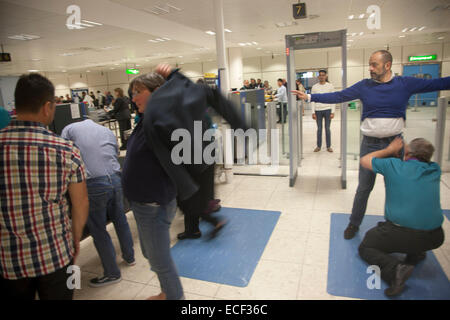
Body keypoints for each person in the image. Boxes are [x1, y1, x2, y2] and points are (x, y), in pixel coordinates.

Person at [292, 49, 450, 240]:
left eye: (374, 64)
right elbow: (340, 96)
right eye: (370, 64)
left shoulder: (404, 84)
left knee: (396, 186)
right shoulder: (364, 86)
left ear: (387, 65)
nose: (370, 68)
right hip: (370, 145)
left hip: (395, 145)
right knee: (364, 187)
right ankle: (354, 223)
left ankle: (394, 224)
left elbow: (438, 83)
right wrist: (310, 97)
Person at [0, 73, 89, 300]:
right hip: (57, 255)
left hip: (8, 262)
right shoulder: (66, 150)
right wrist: (75, 239)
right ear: (48, 107)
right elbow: (80, 204)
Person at [142, 64, 246, 241]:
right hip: (206, 153)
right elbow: (205, 96)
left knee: (188, 198)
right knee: (199, 196)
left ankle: (204, 224)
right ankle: (200, 224)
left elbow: (163, 150)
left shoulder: (158, 110)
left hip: (188, 159)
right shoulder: (191, 99)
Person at [358, 137, 445, 297]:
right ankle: (416, 252)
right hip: (435, 236)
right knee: (416, 227)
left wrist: (390, 150)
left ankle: (396, 269)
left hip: (401, 234)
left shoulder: (394, 165)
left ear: (409, 153)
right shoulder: (435, 169)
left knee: (366, 246)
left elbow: (365, 160)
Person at [123, 72, 183, 300]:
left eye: (139, 92)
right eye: (132, 92)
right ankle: (165, 292)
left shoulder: (162, 122)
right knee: (151, 253)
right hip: (143, 203)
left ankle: (173, 296)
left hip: (153, 204)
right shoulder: (147, 119)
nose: (133, 97)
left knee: (160, 261)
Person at [61, 119, 135, 288]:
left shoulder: (68, 129)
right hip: (116, 179)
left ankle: (112, 273)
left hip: (93, 183)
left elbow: (65, 153)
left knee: (99, 229)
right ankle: (129, 257)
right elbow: (115, 152)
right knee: (120, 220)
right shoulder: (105, 130)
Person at [311, 70, 335, 152]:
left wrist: (333, 111)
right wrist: (313, 112)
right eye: (320, 75)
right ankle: (318, 146)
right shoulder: (314, 87)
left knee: (327, 128)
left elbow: (333, 99)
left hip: (328, 109)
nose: (321, 77)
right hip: (318, 110)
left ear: (326, 76)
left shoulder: (330, 86)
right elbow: (312, 100)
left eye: (323, 75)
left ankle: (328, 146)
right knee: (319, 129)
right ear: (318, 77)